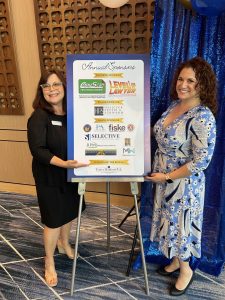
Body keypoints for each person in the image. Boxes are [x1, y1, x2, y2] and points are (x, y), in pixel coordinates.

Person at [145, 57, 217, 296]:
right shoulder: (175, 105)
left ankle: (186, 269)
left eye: (191, 81)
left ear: (202, 85)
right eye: (180, 78)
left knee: (181, 226)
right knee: (169, 222)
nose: (183, 84)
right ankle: (176, 259)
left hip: (184, 184)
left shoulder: (202, 117)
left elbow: (201, 161)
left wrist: (166, 176)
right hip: (164, 177)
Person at [27, 69, 89, 287]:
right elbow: (38, 150)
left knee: (70, 210)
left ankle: (64, 242)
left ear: (65, 87)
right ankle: (49, 259)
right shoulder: (39, 116)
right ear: (41, 91)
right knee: (53, 218)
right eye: (46, 86)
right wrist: (63, 164)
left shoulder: (73, 113)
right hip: (50, 174)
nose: (51, 89)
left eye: (56, 84)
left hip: (71, 173)